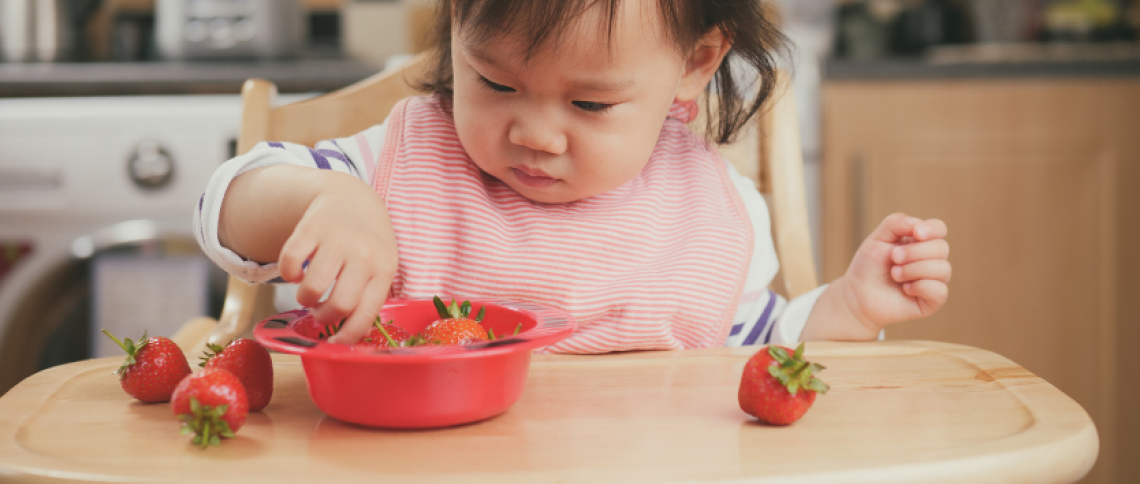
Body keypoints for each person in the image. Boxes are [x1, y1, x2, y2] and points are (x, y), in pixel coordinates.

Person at [193, 0, 951, 353]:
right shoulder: (401, 163)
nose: (535, 133)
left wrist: (846, 307)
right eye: (495, 83)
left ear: (694, 64)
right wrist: (328, 198)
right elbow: (225, 209)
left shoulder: (709, 211)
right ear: (455, 26)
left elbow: (754, 344)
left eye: (589, 103)